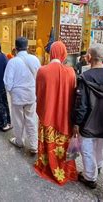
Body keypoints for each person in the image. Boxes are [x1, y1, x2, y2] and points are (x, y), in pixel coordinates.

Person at [73, 43, 103, 189]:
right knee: (100, 148)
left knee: (87, 149)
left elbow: (81, 104)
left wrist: (76, 122)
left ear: (88, 57)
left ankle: (89, 177)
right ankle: (97, 167)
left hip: (88, 120)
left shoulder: (85, 77)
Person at [34, 41, 77, 185]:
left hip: (47, 114)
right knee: (62, 144)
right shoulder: (71, 72)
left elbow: (38, 94)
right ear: (64, 53)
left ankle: (46, 165)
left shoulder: (42, 70)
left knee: (47, 140)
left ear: (51, 52)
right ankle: (63, 167)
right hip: (64, 116)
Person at [4, 37, 41, 153]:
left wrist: (11, 92)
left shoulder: (12, 62)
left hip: (18, 96)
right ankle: (34, 145)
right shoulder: (35, 59)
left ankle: (19, 141)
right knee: (31, 119)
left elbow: (7, 82)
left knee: (18, 120)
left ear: (15, 48)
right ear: (27, 47)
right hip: (31, 95)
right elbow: (39, 77)